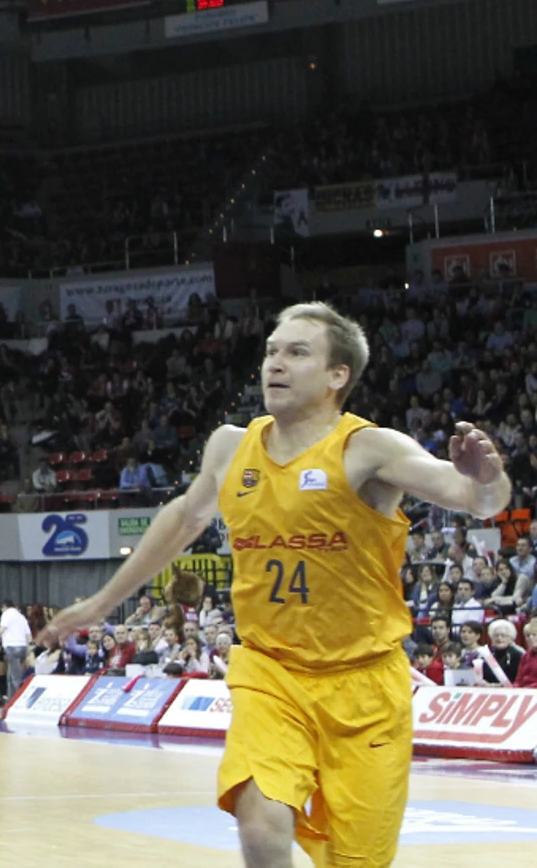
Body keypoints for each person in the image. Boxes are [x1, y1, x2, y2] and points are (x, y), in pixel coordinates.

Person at [51, 301, 510, 868]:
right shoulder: (229, 446)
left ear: (337, 375)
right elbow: (185, 518)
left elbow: (476, 500)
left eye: (297, 352)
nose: (275, 363)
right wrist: (102, 602)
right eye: (272, 350)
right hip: (271, 671)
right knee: (262, 825)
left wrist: (486, 480)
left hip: (365, 683)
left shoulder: (369, 449)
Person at [0, 600, 31, 690]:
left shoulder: (6, 614)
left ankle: (19, 693)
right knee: (10, 675)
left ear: (4, 607)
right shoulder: (21, 616)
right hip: (22, 646)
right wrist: (29, 647)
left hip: (11, 646)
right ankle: (11, 696)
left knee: (16, 676)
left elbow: (2, 629)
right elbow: (28, 634)